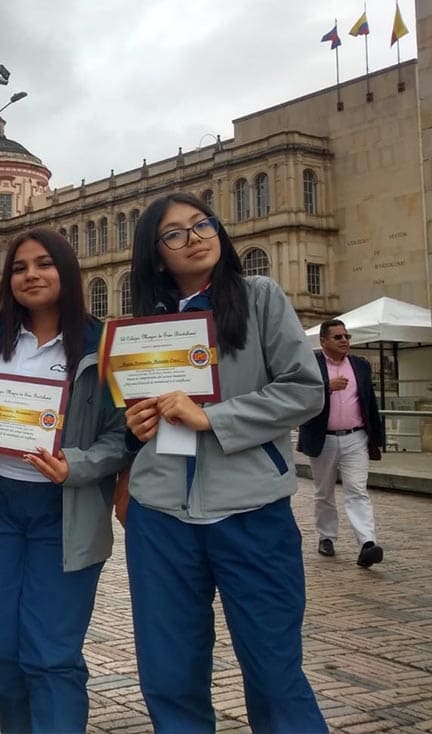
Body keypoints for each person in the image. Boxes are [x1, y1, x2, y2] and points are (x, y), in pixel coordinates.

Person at [123, 192, 327, 733]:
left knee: (274, 674)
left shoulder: (259, 296)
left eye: (202, 224)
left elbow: (306, 389)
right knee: (169, 678)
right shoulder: (143, 324)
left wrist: (215, 418)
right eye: (174, 234)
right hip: (161, 516)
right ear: (155, 254)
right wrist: (135, 425)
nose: (194, 238)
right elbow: (129, 411)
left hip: (251, 509)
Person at [0, 228, 126, 733]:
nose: (31, 275)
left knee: (51, 654)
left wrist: (76, 466)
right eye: (20, 268)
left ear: (66, 272)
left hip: (63, 513)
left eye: (44, 264)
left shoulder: (100, 344)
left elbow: (121, 436)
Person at [297, 319, 385, 567]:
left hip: (356, 437)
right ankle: (326, 536)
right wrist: (326, 387)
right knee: (324, 492)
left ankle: (367, 543)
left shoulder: (360, 365)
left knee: (357, 490)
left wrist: (376, 438)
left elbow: (369, 403)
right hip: (323, 438)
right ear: (323, 341)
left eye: (347, 336)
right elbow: (299, 395)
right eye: (338, 337)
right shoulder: (310, 364)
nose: (345, 340)